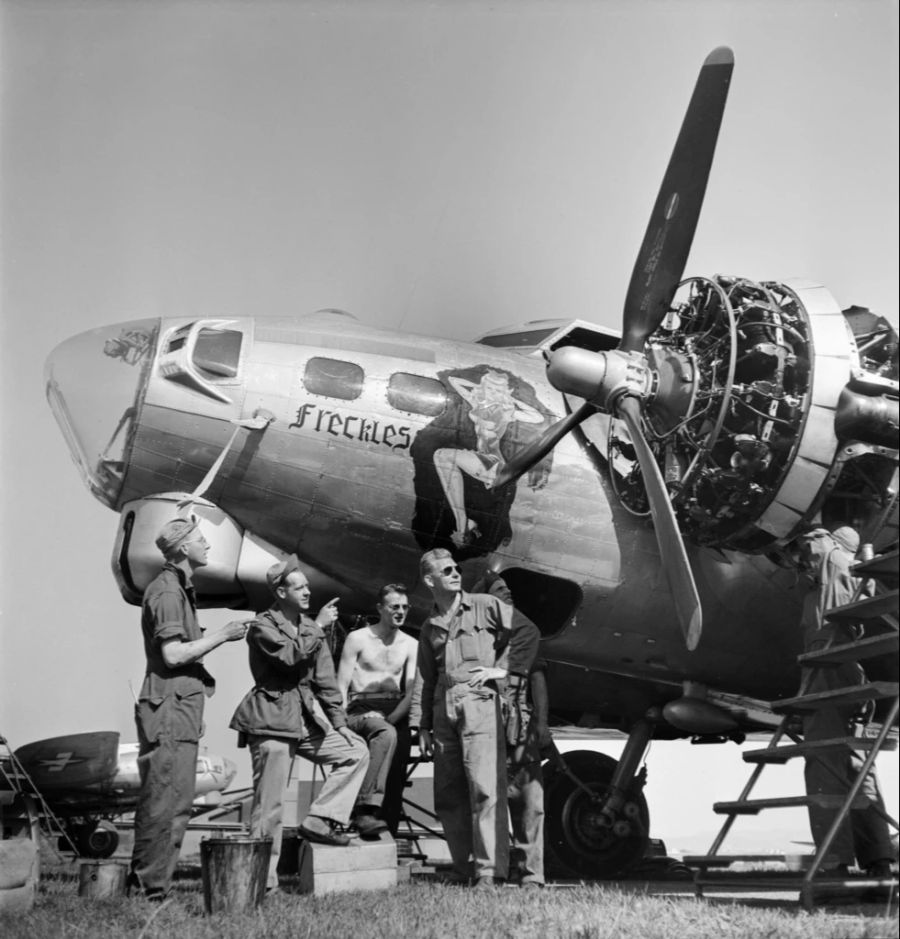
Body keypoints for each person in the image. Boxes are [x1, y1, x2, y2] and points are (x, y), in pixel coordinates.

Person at [229, 556, 369, 893]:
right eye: (300, 587)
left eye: (307, 586)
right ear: (280, 592)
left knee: (356, 752)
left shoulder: (309, 627)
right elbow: (289, 657)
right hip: (271, 720)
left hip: (304, 720)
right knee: (270, 807)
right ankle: (261, 885)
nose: (308, 591)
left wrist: (339, 724)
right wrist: (320, 628)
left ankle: (319, 818)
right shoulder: (263, 625)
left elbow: (325, 683)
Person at [129, 517, 249, 900]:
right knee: (166, 799)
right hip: (168, 710)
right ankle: (150, 888)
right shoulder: (166, 593)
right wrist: (223, 635)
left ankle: (150, 884)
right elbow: (174, 653)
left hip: (176, 709)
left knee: (174, 798)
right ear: (182, 548)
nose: (208, 545)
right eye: (201, 539)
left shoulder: (177, 589)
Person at [412, 548, 539, 886]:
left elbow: (528, 633)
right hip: (443, 709)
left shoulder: (486, 605)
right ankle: (464, 867)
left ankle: (489, 872)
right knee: (449, 793)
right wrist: (423, 725)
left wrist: (501, 670)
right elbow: (426, 677)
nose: (456, 573)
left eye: (456, 568)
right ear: (430, 580)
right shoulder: (429, 626)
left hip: (480, 702)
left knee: (486, 788)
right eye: (447, 570)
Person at [796, 524, 894, 878]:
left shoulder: (833, 559)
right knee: (857, 765)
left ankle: (834, 861)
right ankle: (878, 858)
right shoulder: (855, 572)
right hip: (850, 666)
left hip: (825, 663)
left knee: (822, 760)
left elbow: (815, 545)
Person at [473, 571, 551, 888]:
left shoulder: (524, 634)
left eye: (508, 590)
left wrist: (543, 725)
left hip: (521, 725)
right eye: (500, 590)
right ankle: (493, 874)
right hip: (486, 724)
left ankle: (532, 875)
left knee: (530, 803)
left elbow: (538, 682)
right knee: (489, 802)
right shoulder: (477, 638)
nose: (509, 594)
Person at [337, 584, 419, 837]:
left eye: (405, 607)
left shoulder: (410, 644)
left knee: (395, 779)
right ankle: (353, 828)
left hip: (395, 709)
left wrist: (393, 719)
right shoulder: (358, 638)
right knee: (354, 769)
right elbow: (341, 684)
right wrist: (340, 723)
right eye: (395, 607)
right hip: (361, 705)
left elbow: (412, 689)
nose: (400, 612)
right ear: (380, 608)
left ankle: (387, 841)